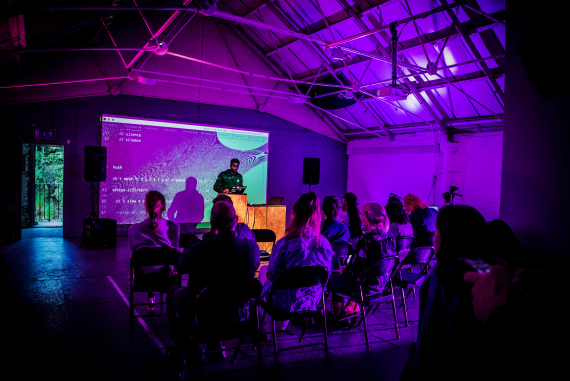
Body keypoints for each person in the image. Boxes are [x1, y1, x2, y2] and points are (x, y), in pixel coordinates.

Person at [404, 204, 492, 381]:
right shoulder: (489, 271)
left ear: (449, 238)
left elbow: (428, 344)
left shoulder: (441, 281)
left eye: (437, 230)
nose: (434, 235)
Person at [166, 201, 260, 365]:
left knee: (173, 293)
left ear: (212, 223)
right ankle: (213, 345)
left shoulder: (200, 250)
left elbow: (180, 267)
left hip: (204, 313)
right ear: (236, 220)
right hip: (237, 314)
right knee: (213, 293)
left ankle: (181, 350)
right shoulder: (251, 249)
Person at [260, 192, 333, 313]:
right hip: (313, 301)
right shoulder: (325, 244)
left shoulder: (284, 244)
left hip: (282, 302)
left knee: (263, 270)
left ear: (294, 215)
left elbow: (272, 274)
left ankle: (262, 322)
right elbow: (326, 275)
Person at [327, 203, 396, 317]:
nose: (361, 218)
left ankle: (340, 318)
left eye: (362, 215)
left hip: (365, 289)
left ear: (368, 218)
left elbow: (353, 271)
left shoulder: (367, 241)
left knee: (330, 280)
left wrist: (344, 271)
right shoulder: (390, 237)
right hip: (382, 285)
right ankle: (350, 313)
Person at [128, 191, 180, 310]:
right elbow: (176, 256)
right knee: (165, 259)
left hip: (142, 280)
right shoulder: (173, 227)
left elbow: (135, 255)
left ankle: (150, 297)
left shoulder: (133, 229)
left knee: (144, 260)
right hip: (167, 280)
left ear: (146, 206)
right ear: (163, 206)